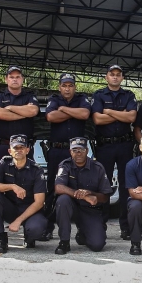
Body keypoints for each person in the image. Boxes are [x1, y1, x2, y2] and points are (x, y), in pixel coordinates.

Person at [91, 65, 138, 240]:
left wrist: (109, 111)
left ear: (122, 78)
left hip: (125, 145)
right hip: (105, 146)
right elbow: (97, 119)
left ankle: (125, 227)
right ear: (106, 77)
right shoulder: (99, 95)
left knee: (126, 186)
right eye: (112, 74)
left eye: (118, 75)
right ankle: (100, 225)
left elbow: (131, 117)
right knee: (103, 186)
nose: (115, 77)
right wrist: (121, 114)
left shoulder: (129, 95)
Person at [43, 73, 91, 240]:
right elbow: (51, 116)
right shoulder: (54, 99)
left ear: (75, 87)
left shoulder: (82, 99)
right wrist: (73, 113)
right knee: (52, 188)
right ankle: (48, 227)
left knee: (80, 187)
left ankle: (82, 229)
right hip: (57, 150)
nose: (67, 88)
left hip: (78, 152)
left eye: (70, 85)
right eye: (64, 85)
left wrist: (63, 109)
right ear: (59, 87)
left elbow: (85, 114)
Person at [0, 135, 48, 253]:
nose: (19, 150)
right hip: (11, 208)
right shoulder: (4, 163)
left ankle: (29, 236)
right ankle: (0, 238)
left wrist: (18, 221)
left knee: (37, 229)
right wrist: (12, 186)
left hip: (30, 210)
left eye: (22, 147)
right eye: (15, 148)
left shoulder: (36, 169)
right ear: (10, 151)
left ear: (27, 150)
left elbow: (39, 202)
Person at [53, 137, 114, 255]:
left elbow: (105, 196)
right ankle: (64, 242)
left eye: (81, 150)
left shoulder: (97, 167)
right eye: (75, 150)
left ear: (87, 151)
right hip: (71, 207)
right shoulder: (65, 165)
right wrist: (83, 196)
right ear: (70, 152)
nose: (78, 153)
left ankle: (83, 233)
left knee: (97, 245)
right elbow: (58, 187)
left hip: (90, 210)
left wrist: (93, 195)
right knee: (63, 200)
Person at [0, 65, 39, 157]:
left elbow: (33, 111)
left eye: (17, 77)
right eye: (11, 77)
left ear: (22, 79)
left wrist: (10, 108)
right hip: (4, 146)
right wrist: (25, 113)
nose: (15, 80)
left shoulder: (30, 96)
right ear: (6, 79)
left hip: (25, 147)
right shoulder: (0, 96)